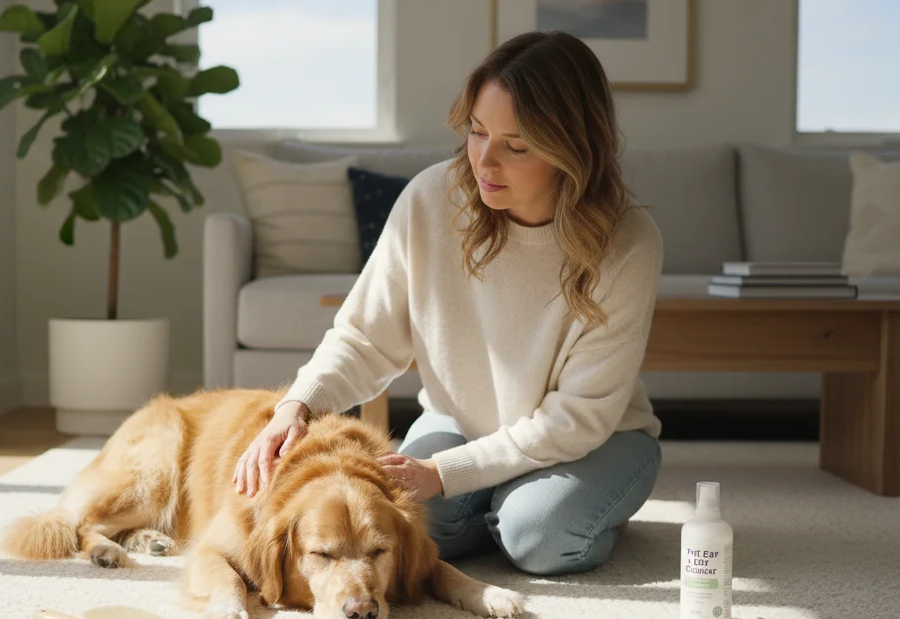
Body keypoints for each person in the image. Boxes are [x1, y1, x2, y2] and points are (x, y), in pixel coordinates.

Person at [231, 31, 663, 577]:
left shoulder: (628, 241)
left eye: (517, 145)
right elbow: (365, 337)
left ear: (572, 150)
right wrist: (296, 405)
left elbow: (578, 418)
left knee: (539, 538)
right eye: (478, 131)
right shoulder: (431, 200)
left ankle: (552, 509)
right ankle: (504, 499)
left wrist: (443, 473)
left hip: (596, 439)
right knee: (398, 524)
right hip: (461, 423)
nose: (484, 160)